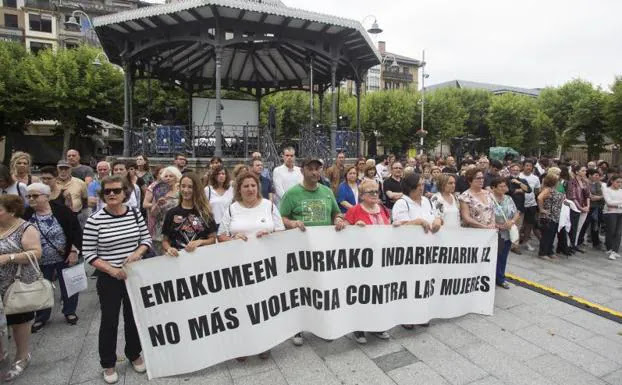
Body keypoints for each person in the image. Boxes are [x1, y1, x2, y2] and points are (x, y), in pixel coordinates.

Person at [82, 175, 151, 384]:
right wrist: (112, 270)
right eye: (107, 191)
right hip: (109, 278)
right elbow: (89, 253)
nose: (112, 194)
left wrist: (138, 253)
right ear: (102, 194)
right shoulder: (95, 220)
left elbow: (145, 238)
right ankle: (108, 363)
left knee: (133, 317)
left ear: (125, 193)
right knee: (109, 320)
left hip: (133, 274)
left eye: (116, 190)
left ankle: (133, 353)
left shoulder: (135, 213)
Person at [280, 157, 346, 346]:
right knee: (302, 290)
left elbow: (336, 212)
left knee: (322, 289)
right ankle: (297, 328)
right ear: (303, 171)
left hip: (324, 251)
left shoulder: (326, 191)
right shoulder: (292, 194)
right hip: (301, 252)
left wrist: (339, 219)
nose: (315, 172)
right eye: (311, 169)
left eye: (318, 169)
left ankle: (323, 326)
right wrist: (292, 223)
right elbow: (280, 217)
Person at [23, 183, 82, 332]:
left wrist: (74, 251)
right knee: (41, 288)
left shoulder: (62, 211)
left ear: (46, 197)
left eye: (35, 195)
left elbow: (76, 231)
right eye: (28, 196)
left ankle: (69, 311)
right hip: (39, 260)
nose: (31, 199)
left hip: (64, 256)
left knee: (69, 285)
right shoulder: (26, 214)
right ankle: (42, 316)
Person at [344, 179, 391, 344]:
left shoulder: (383, 209)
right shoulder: (355, 211)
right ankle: (359, 328)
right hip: (361, 262)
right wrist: (353, 227)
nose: (375, 194)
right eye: (370, 192)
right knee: (363, 294)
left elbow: (389, 228)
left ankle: (377, 326)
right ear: (362, 195)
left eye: (376, 191)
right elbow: (341, 232)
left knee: (378, 293)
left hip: (381, 260)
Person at [0, 195, 42, 381]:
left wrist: (9, 258)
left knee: (19, 323)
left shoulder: (26, 227)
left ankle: (22, 357)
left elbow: (36, 253)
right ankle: (2, 354)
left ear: (11, 211)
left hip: (17, 285)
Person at [162, 173, 217, 256]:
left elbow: (212, 239)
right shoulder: (171, 213)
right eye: (183, 186)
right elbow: (165, 241)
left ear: (196, 189)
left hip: (201, 260)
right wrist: (169, 249)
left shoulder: (205, 213)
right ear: (179, 188)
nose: (186, 190)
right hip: (177, 261)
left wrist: (200, 242)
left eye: (190, 187)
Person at [490, 177, 519, 289]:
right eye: (500, 186)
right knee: (493, 256)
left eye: (505, 186)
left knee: (503, 256)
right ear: (493, 188)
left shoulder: (509, 198)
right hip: (494, 232)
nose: (504, 188)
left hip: (507, 232)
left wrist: (512, 222)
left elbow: (516, 213)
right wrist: (498, 225)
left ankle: (500, 278)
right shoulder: (489, 199)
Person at [150, 166, 181, 254]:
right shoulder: (160, 193)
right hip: (160, 232)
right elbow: (153, 213)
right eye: (166, 176)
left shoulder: (181, 193)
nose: (168, 178)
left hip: (177, 231)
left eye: (171, 176)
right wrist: (157, 204)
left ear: (177, 177)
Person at [537, 174, 565, 260]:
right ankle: (543, 252)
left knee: (552, 235)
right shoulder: (547, 190)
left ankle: (549, 251)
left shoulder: (553, 189)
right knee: (547, 235)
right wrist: (542, 209)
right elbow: (539, 198)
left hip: (555, 215)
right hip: (548, 215)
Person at [506, 163, 531, 254]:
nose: (515, 171)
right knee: (505, 226)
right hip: (507, 207)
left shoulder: (522, 180)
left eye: (517, 170)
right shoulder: (506, 180)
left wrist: (519, 183)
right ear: (510, 170)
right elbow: (506, 190)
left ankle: (514, 246)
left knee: (517, 227)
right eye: (514, 169)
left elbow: (528, 190)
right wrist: (518, 190)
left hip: (519, 207)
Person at [566, 164, 590, 252]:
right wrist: (580, 208)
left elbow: (588, 195)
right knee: (572, 226)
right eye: (583, 170)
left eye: (585, 171)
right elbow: (572, 196)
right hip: (575, 207)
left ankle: (574, 244)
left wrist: (588, 206)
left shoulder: (585, 182)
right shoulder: (572, 182)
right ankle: (568, 244)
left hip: (584, 206)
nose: (585, 172)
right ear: (577, 172)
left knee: (579, 227)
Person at [519, 159, 541, 251]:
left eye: (530, 166)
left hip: (531, 204)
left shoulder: (535, 178)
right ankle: (516, 242)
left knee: (529, 225)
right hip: (519, 204)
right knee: (520, 225)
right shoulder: (518, 176)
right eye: (527, 165)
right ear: (523, 166)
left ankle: (526, 241)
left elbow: (537, 190)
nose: (528, 167)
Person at [580, 169, 604, 250]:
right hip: (589, 207)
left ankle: (596, 242)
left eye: (598, 175)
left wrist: (599, 197)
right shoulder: (586, 183)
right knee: (584, 224)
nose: (597, 177)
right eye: (595, 175)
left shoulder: (599, 184)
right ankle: (579, 240)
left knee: (596, 225)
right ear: (589, 175)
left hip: (598, 208)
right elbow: (591, 197)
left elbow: (602, 195)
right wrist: (600, 197)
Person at [603, 174, 622, 260]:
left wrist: (616, 205)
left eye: (621, 182)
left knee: (618, 232)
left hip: (620, 213)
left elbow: (612, 203)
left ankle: (614, 251)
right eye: (617, 182)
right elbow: (609, 202)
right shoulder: (607, 190)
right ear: (612, 181)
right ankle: (610, 248)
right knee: (611, 231)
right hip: (610, 213)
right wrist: (619, 204)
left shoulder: (621, 191)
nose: (619, 184)